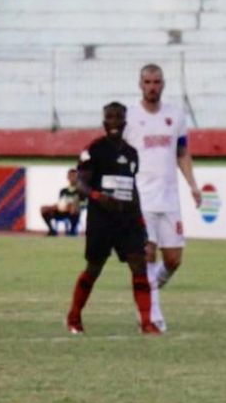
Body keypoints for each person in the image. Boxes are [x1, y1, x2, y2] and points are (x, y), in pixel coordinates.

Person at [65, 103, 159, 335]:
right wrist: (98, 196)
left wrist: (142, 223)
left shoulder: (131, 153)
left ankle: (147, 322)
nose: (114, 121)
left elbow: (132, 188)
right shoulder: (93, 150)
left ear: (125, 122)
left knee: (139, 266)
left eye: (119, 117)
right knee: (94, 268)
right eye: (110, 117)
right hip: (102, 220)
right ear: (104, 121)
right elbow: (81, 183)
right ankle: (74, 316)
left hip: (127, 220)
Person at [124, 63, 202, 333]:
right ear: (140, 84)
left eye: (156, 82)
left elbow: (182, 153)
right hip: (141, 199)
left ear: (163, 84)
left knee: (173, 260)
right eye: (147, 82)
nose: (152, 87)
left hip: (169, 199)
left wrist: (193, 185)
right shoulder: (130, 117)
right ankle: (152, 315)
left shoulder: (175, 116)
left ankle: (147, 289)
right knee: (147, 252)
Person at [40, 168, 83, 236]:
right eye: (70, 176)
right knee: (44, 209)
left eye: (74, 176)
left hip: (74, 212)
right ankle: (52, 230)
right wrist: (55, 207)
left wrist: (74, 205)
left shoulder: (81, 190)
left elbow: (83, 203)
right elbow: (61, 202)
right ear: (67, 177)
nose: (72, 178)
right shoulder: (63, 191)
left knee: (74, 208)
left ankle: (72, 230)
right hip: (63, 210)